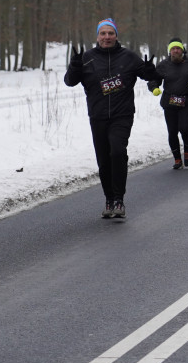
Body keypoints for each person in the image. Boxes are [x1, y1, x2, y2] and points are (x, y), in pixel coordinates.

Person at [64, 18, 161, 219]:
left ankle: (119, 199)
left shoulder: (128, 57)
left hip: (122, 115)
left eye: (110, 33)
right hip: (98, 116)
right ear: (97, 36)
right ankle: (109, 199)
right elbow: (70, 82)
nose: (107, 37)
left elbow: (148, 75)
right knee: (103, 160)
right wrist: (74, 66)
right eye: (103, 33)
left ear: (116, 36)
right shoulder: (87, 58)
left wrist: (151, 71)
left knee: (117, 151)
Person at [148, 37, 188, 169]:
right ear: (169, 51)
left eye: (178, 48)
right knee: (172, 131)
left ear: (182, 50)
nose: (176, 51)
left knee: (185, 128)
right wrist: (154, 88)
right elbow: (153, 79)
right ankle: (177, 159)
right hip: (170, 102)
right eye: (173, 49)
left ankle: (187, 150)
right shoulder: (163, 65)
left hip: (187, 101)